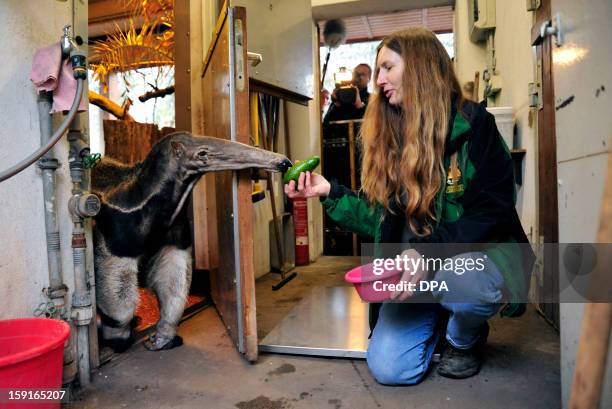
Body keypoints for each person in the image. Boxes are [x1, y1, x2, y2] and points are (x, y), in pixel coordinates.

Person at [285, 28, 534, 385]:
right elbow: (379, 217)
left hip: (466, 260)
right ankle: (438, 319)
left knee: (459, 279)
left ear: (418, 66)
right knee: (390, 368)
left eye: (387, 67)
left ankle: (463, 338)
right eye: (378, 70)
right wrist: (329, 192)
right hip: (412, 274)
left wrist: (426, 252)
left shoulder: (476, 126)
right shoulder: (393, 139)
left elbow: (491, 213)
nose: (379, 80)